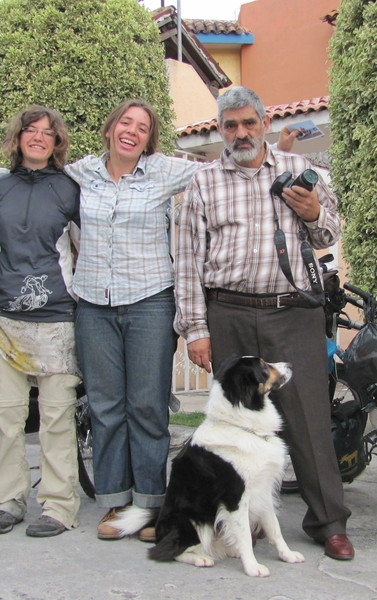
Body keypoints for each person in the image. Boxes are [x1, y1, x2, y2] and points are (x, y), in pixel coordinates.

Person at [173, 86, 354, 560]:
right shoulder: (202, 183)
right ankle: (244, 520)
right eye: (231, 125)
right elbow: (188, 261)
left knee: (309, 421)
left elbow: (330, 231)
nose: (241, 133)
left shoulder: (298, 169)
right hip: (228, 312)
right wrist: (196, 329)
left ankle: (329, 522)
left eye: (249, 123)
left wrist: (314, 212)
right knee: (235, 427)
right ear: (220, 130)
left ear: (264, 124)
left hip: (293, 314)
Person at [63, 99, 201, 542]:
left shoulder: (163, 171)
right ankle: (115, 502)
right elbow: (36, 174)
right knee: (105, 408)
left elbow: (218, 171)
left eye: (142, 128)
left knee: (147, 406)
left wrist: (281, 150)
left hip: (149, 302)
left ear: (148, 140)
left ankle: (151, 505)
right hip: (93, 305)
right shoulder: (83, 172)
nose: (132, 132)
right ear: (110, 128)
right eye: (126, 122)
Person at [0, 105, 82, 538]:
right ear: (18, 137)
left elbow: (87, 249)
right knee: (6, 416)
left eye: (47, 132)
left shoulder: (71, 188)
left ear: (57, 142)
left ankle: (58, 505)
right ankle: (8, 500)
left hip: (58, 318)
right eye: (30, 130)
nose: (38, 137)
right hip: (4, 320)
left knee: (57, 417)